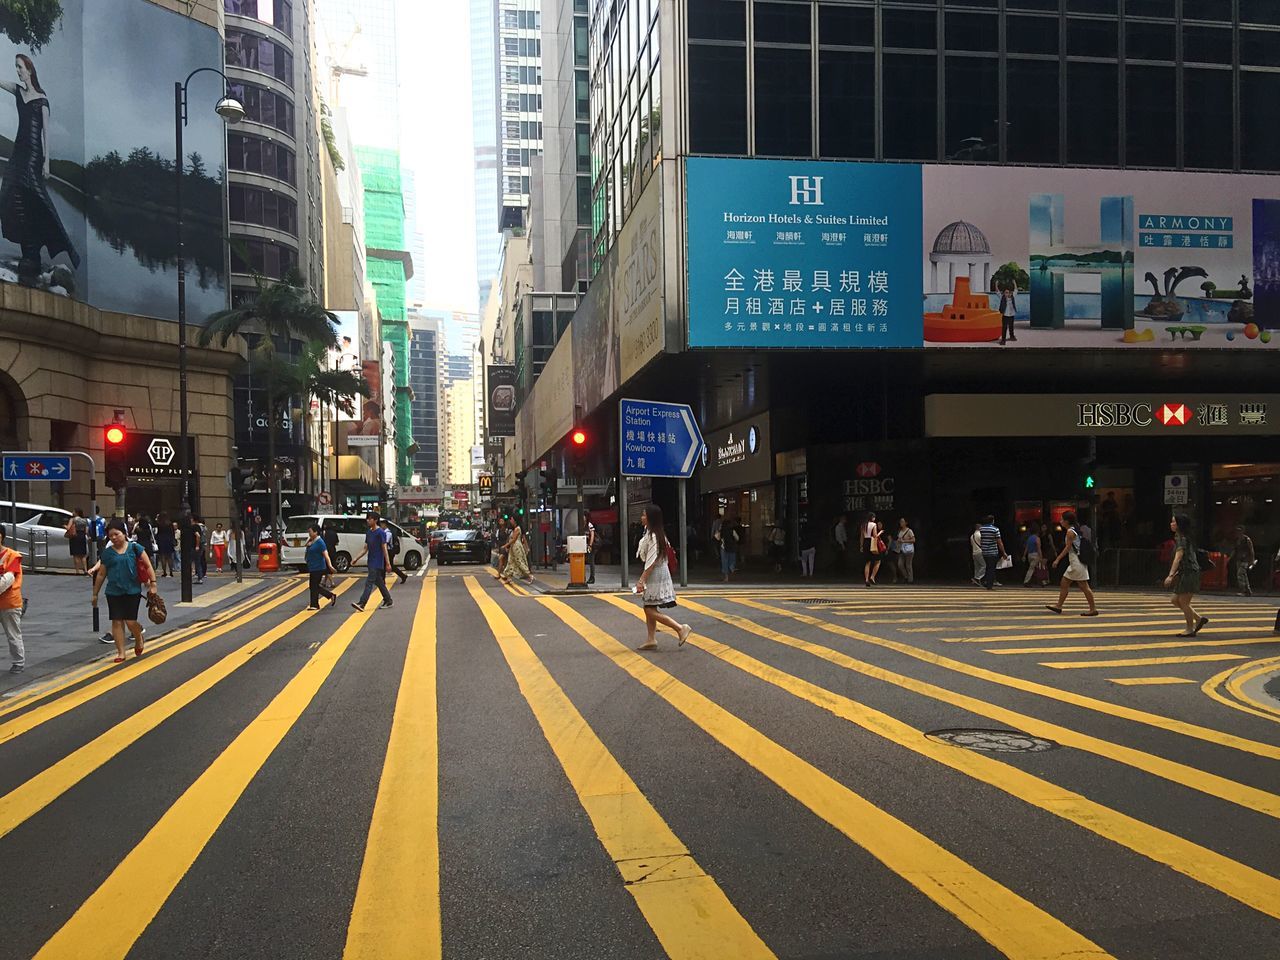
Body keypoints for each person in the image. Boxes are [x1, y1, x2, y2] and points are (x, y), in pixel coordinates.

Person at [0, 55, 80, 278]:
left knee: (37, 197)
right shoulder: (18, 92)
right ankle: (29, 252)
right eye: (16, 67)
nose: (17, 71)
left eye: (20, 67)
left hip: (34, 155)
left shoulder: (42, 99)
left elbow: (46, 132)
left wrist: (47, 162)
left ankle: (61, 247)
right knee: (9, 192)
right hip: (18, 153)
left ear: (30, 71)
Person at [92, 520, 157, 663]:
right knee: (116, 621)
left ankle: (138, 636)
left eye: (117, 534)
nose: (114, 537)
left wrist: (153, 584)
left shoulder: (135, 548)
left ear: (124, 533)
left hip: (132, 590)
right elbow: (102, 574)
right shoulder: (107, 553)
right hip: (113, 592)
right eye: (111, 535)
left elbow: (148, 566)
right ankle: (121, 652)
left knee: (130, 621)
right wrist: (95, 593)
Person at [634, 504, 692, 651]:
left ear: (650, 518)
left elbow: (651, 561)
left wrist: (642, 580)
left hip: (656, 574)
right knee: (649, 605)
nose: (641, 517)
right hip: (657, 573)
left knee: (649, 609)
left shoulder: (653, 536)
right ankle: (651, 639)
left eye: (644, 515)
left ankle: (680, 628)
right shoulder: (651, 533)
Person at [1045, 511, 1098, 616]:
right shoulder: (1074, 530)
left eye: (1062, 519)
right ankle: (1059, 606)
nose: (1060, 521)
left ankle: (1093, 609)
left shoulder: (1070, 532)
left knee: (1084, 586)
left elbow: (1067, 548)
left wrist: (1057, 559)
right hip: (1075, 562)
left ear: (1067, 521)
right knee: (1064, 583)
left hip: (1076, 562)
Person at [1164, 514, 1206, 636]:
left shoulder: (1182, 539)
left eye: (1173, 522)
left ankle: (1190, 629)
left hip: (1190, 573)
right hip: (1185, 572)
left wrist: (1170, 575)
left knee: (1183, 602)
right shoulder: (1181, 538)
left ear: (1179, 525)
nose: (1171, 524)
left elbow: (1178, 558)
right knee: (1174, 600)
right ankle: (1198, 619)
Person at [351, 512, 393, 612]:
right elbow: (365, 548)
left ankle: (362, 603)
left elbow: (384, 548)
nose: (368, 521)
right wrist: (356, 558)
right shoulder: (369, 532)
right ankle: (388, 600)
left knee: (369, 582)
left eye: (370, 519)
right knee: (379, 582)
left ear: (375, 520)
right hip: (371, 561)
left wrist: (387, 563)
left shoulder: (380, 533)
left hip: (377, 562)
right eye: (367, 519)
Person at [0, 526, 23, 673]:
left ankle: (18, 662)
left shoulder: (12, 555)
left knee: (13, 634)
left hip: (9, 602)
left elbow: (7, 580)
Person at [303, 524, 338, 610]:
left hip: (318, 567)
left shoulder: (320, 542)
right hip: (312, 566)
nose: (309, 533)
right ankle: (330, 596)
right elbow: (306, 546)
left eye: (310, 532)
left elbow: (326, 555)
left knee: (313, 586)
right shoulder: (312, 540)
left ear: (315, 532)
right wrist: (308, 542)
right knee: (314, 586)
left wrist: (330, 565)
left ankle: (314, 605)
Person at [976, 515, 1007, 590]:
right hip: (993, 551)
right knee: (992, 568)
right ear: (992, 521)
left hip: (984, 551)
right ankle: (989, 585)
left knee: (987, 567)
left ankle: (986, 581)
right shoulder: (995, 529)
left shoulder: (982, 529)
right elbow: (999, 542)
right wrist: (1004, 552)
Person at [1230, 525, 1256, 597]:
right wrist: (1230, 558)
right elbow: (1235, 550)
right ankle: (1248, 590)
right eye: (1237, 531)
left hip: (1245, 560)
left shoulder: (1247, 539)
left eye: (1239, 531)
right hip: (1238, 559)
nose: (1238, 532)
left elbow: (1251, 550)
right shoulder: (1237, 540)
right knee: (1244, 575)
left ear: (1242, 531)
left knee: (1240, 574)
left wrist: (1252, 560)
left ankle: (1243, 590)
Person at [380, 518, 409, 584]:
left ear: (385, 525)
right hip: (388, 551)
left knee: (387, 565)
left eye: (381, 524)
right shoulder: (385, 532)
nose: (381, 526)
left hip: (389, 551)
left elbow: (386, 542)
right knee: (387, 565)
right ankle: (403, 576)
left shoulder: (388, 533)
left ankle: (383, 580)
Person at [719, 510, 741, 582]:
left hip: (724, 547)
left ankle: (726, 577)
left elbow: (716, 538)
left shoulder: (721, 531)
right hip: (732, 547)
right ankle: (731, 567)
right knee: (731, 560)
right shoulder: (732, 531)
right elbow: (737, 538)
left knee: (724, 562)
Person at [862, 512, 884, 587]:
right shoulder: (873, 524)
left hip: (865, 542)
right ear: (872, 518)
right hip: (872, 543)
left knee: (867, 562)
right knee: (878, 560)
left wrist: (861, 546)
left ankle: (866, 579)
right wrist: (880, 532)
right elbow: (875, 536)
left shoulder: (863, 525)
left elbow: (861, 536)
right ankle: (872, 576)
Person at [64, 507, 88, 575]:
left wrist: (65, 526)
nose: (72, 512)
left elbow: (68, 528)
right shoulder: (84, 520)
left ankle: (77, 571)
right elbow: (86, 531)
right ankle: (85, 570)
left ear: (76, 512)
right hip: (82, 536)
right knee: (83, 555)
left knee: (76, 555)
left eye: (73, 511)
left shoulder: (72, 519)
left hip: (75, 536)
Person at [896, 517, 916, 584]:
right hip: (901, 550)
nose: (901, 523)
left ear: (906, 523)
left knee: (908, 565)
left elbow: (913, 540)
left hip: (908, 550)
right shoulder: (900, 531)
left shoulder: (909, 531)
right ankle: (906, 576)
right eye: (900, 521)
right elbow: (899, 539)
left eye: (902, 521)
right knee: (900, 564)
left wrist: (904, 541)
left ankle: (910, 580)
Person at [155, 513, 175, 577]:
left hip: (161, 540)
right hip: (169, 540)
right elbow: (172, 533)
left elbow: (158, 533)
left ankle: (164, 572)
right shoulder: (170, 523)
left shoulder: (159, 524)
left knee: (162, 556)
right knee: (169, 557)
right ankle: (171, 571)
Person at [321, 521, 339, 589]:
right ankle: (323, 582)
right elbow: (337, 542)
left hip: (326, 551)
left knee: (327, 567)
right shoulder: (334, 533)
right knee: (329, 566)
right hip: (333, 551)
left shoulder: (324, 533)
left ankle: (332, 582)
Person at [192, 516, 208, 583]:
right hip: (203, 544)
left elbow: (198, 536)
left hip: (196, 545)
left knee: (195, 561)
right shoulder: (204, 527)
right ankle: (201, 575)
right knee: (200, 560)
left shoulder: (196, 526)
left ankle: (198, 575)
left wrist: (197, 545)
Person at [585, 518, 598, 584]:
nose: (583, 519)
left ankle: (592, 577)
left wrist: (590, 545)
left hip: (591, 547)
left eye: (584, 517)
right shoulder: (581, 525)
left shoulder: (589, 525)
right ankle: (582, 577)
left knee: (591, 561)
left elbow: (592, 535)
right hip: (584, 546)